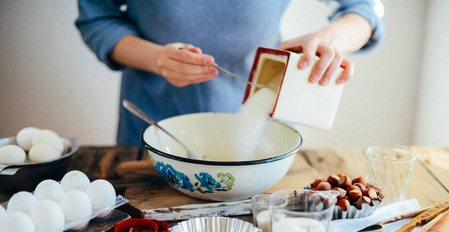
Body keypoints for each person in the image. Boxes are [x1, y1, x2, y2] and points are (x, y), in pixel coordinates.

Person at [76, 0, 384, 146]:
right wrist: (158, 59)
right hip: (157, 131)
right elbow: (97, 18)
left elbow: (364, 8)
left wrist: (330, 41)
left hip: (261, 133)